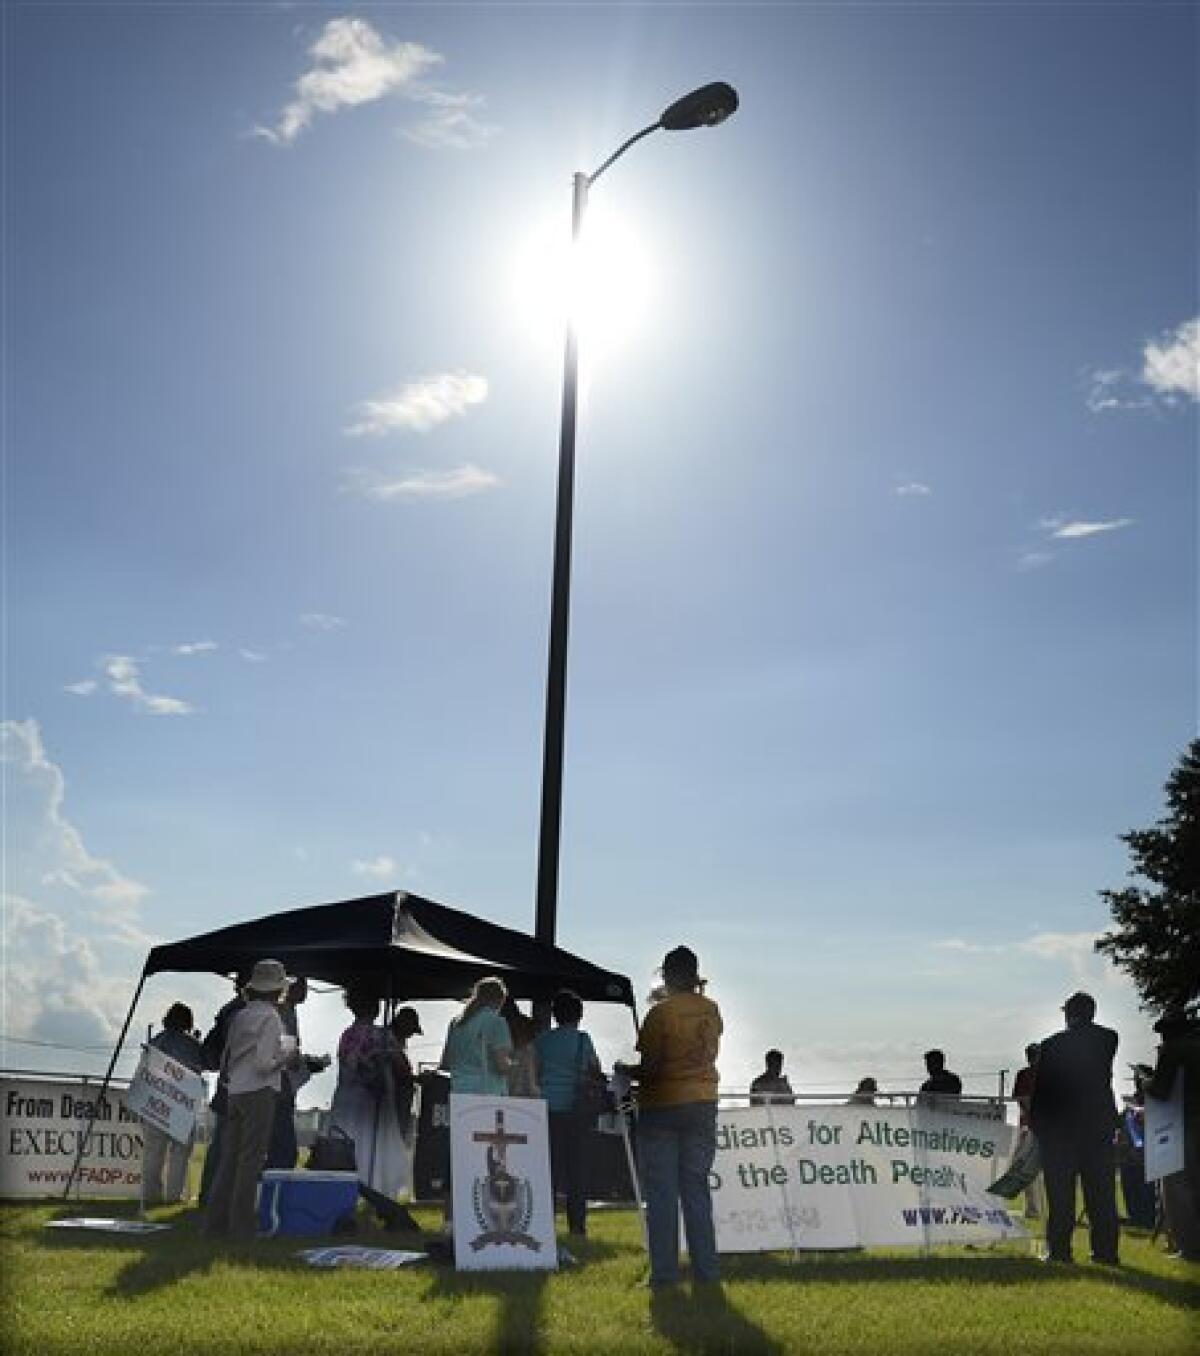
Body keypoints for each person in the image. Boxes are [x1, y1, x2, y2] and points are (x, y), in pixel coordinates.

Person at [618, 945, 723, 1290]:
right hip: (703, 1102)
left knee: (663, 1194)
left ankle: (664, 1276)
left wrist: (624, 1071)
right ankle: (707, 1274)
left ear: (666, 974)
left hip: (663, 1106)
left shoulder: (660, 1014)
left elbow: (651, 1069)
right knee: (696, 1190)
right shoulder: (711, 1010)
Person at [203, 959, 294, 1240]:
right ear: (279, 990)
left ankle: (215, 1223)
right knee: (251, 1160)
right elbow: (264, 1063)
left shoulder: (241, 1014)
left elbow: (228, 1056)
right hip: (259, 1090)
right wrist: (287, 1057)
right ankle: (242, 1226)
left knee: (229, 1159)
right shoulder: (271, 1018)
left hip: (235, 1090)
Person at [1029, 991, 1120, 1265]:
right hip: (1098, 1127)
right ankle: (1105, 1252)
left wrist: (1037, 1126)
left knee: (1060, 1195)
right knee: (1101, 1195)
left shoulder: (1051, 1045)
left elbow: (1042, 1091)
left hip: (1060, 1130)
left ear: (1068, 1014)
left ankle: (1060, 1251)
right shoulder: (1108, 1039)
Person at [535, 989, 602, 1237]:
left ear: (555, 1015)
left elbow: (535, 1071)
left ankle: (545, 1224)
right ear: (579, 1015)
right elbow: (593, 1070)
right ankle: (577, 1227)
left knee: (548, 1169)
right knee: (577, 1170)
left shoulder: (542, 1040)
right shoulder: (583, 1040)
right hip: (576, 1111)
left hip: (546, 1109)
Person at [329, 989, 408, 1197]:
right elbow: (402, 1068)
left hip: (346, 1099)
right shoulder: (381, 1035)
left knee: (347, 1145)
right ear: (375, 1008)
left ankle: (346, 1189)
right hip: (372, 1100)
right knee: (376, 1145)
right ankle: (376, 1189)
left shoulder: (346, 1035)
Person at [1148, 1008, 1200, 1260]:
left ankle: (1189, 1246)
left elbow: (1160, 1090)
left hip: (1182, 1125)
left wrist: (1146, 1081)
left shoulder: (1173, 1049)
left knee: (1178, 1187)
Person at [141, 1002, 205, 1205]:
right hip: (182, 1105)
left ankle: (150, 1196)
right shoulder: (192, 1044)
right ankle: (173, 1196)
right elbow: (201, 1066)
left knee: (153, 1152)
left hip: (154, 1101)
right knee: (179, 1153)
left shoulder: (155, 1041)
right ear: (188, 1022)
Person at [265, 977, 330, 1171]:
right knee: (284, 1148)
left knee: (281, 1145)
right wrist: (306, 1063)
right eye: (300, 987)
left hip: (281, 1083)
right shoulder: (283, 1012)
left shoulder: (288, 1011)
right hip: (279, 1084)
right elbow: (287, 1053)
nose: (304, 992)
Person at [198, 972, 248, 1205]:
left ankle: (209, 1195)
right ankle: (218, 1197)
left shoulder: (228, 1010)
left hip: (226, 1085)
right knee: (228, 1148)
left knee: (221, 1145)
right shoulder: (242, 1013)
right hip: (239, 1086)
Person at [440, 976, 514, 1095]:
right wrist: (517, 1065)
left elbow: (446, 1063)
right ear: (500, 999)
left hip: (458, 1091)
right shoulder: (496, 1022)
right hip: (486, 1093)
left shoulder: (456, 1023)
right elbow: (502, 1065)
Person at [1011, 1043, 1045, 1220]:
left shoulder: (1049, 1075)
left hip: (1041, 1127)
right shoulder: (1024, 1074)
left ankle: (1036, 1209)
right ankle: (1033, 1208)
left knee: (1026, 1166)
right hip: (1028, 1125)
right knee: (1023, 1166)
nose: (1032, 1058)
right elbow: (1020, 1098)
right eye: (1030, 1054)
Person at [389, 1005, 423, 1146]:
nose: (410, 1036)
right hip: (392, 1105)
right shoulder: (390, 1043)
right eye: (411, 1030)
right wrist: (417, 1079)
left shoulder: (394, 1044)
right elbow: (399, 1073)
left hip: (398, 1104)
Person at [502, 998, 541, 1098]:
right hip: (521, 1099)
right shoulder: (528, 1049)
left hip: (499, 1096)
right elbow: (532, 1085)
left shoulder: (494, 1045)